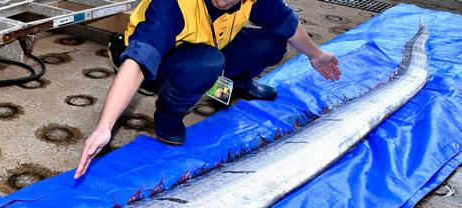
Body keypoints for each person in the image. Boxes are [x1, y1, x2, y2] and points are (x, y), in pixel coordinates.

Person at [74, 0, 341, 179]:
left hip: (216, 46)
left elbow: (288, 24)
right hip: (169, 62)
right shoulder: (173, 5)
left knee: (272, 44)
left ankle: (240, 82)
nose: (225, 0)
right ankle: (168, 113)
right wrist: (105, 126)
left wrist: (316, 55)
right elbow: (139, 61)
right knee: (205, 63)